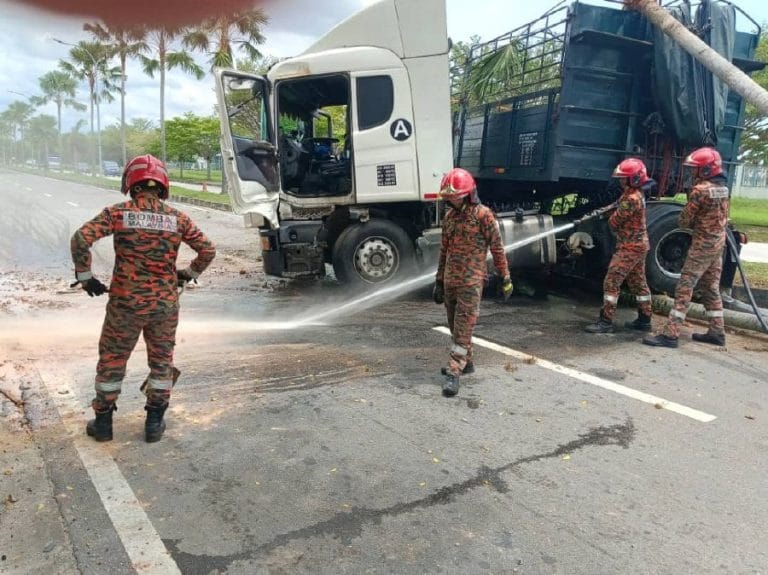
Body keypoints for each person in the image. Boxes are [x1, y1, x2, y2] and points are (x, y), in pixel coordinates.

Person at [71, 154, 216, 442]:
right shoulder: (178, 218)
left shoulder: (118, 213)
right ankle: (153, 424)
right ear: (163, 185)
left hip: (124, 305)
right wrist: (187, 273)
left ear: (131, 183)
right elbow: (208, 250)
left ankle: (103, 424)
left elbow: (80, 238)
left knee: (112, 361)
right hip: (164, 306)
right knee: (162, 363)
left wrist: (86, 277)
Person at [433, 168, 513, 397]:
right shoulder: (449, 218)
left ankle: (454, 372)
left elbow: (497, 248)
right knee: (454, 327)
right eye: (448, 196)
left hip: (471, 283)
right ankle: (466, 362)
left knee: (462, 329)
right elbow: (444, 251)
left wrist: (505, 277)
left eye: (455, 195)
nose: (451, 199)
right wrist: (439, 281)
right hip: (450, 282)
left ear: (468, 193)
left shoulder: (484, 216)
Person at [643, 147, 729, 348]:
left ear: (706, 170)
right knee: (710, 288)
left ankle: (670, 334)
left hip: (701, 247)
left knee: (684, 288)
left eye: (695, 169)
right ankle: (717, 332)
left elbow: (683, 221)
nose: (692, 173)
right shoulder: (723, 189)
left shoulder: (700, 191)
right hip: (717, 245)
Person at [585, 158, 653, 333]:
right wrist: (599, 211)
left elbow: (614, 223)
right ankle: (645, 320)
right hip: (638, 245)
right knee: (638, 283)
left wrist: (603, 217)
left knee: (611, 281)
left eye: (624, 178)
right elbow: (615, 205)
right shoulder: (633, 193)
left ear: (635, 178)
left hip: (630, 247)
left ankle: (605, 321)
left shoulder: (631, 198)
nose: (621, 181)